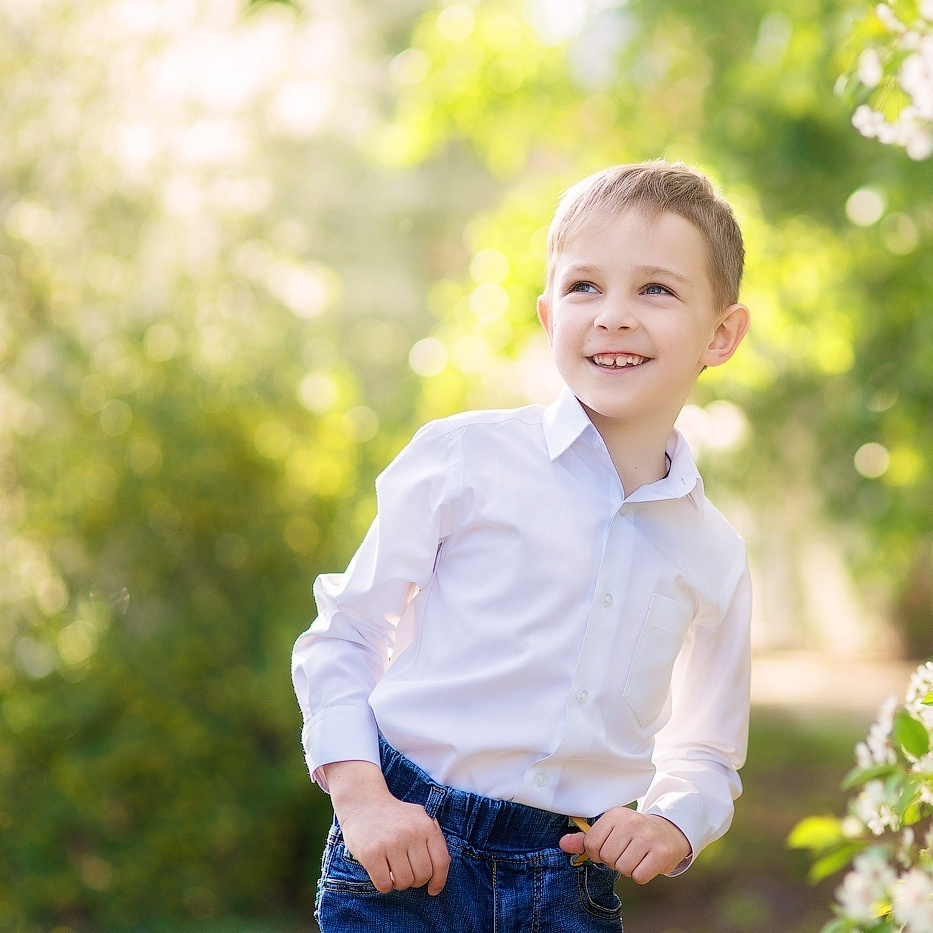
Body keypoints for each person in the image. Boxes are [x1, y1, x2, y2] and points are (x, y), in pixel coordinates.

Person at [291, 160, 753, 931]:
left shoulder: (714, 552)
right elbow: (347, 630)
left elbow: (706, 747)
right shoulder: (464, 458)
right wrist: (363, 797)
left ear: (722, 333)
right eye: (584, 287)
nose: (613, 315)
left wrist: (672, 822)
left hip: (568, 885)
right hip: (409, 854)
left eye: (656, 289)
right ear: (548, 317)